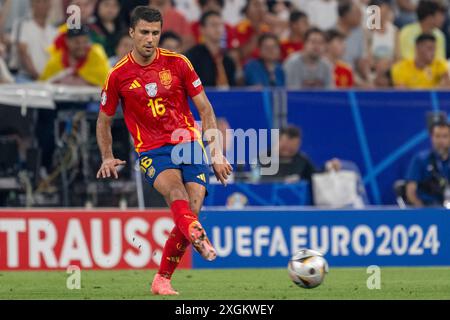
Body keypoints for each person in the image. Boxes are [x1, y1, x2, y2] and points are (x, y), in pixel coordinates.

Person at [96, 7, 232, 295]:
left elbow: (205, 109)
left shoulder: (179, 63)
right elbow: (103, 121)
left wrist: (216, 152)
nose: (150, 38)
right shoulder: (118, 75)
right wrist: (107, 155)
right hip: (152, 150)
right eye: (144, 32)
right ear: (132, 32)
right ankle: (197, 236)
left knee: (191, 211)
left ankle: (162, 279)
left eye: (155, 33)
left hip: (189, 144)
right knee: (176, 194)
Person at [259, 125, 341, 183]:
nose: (287, 151)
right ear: (278, 141)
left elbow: (315, 175)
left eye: (291, 149)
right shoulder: (263, 157)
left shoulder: (302, 160)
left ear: (298, 144)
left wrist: (328, 167)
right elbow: (259, 179)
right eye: (284, 147)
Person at [40, 25, 110, 87]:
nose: (81, 46)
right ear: (67, 41)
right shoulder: (57, 59)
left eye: (85, 41)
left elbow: (105, 83)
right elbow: (43, 84)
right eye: (77, 42)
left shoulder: (96, 55)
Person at [185, 11, 236, 88]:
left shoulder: (228, 60)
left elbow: (233, 90)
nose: (218, 29)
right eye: (213, 25)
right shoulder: (192, 57)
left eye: (220, 25)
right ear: (202, 29)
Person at [406, 120, 450, 207]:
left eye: (445, 136)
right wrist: (425, 214)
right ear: (431, 138)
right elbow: (410, 192)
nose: (441, 140)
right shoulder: (420, 159)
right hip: (427, 209)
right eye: (437, 136)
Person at [13, 0, 58, 82]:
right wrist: (39, 78)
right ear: (31, 4)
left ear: (50, 5)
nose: (41, 5)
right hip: (26, 79)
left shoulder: (54, 32)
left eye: (45, 2)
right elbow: (23, 54)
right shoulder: (22, 26)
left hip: (50, 81)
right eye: (38, 1)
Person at [335, 0, 370, 86]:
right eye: (357, 13)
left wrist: (368, 80)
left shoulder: (359, 33)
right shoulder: (331, 34)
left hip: (354, 76)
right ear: (345, 16)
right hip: (337, 75)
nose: (361, 16)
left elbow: (361, 62)